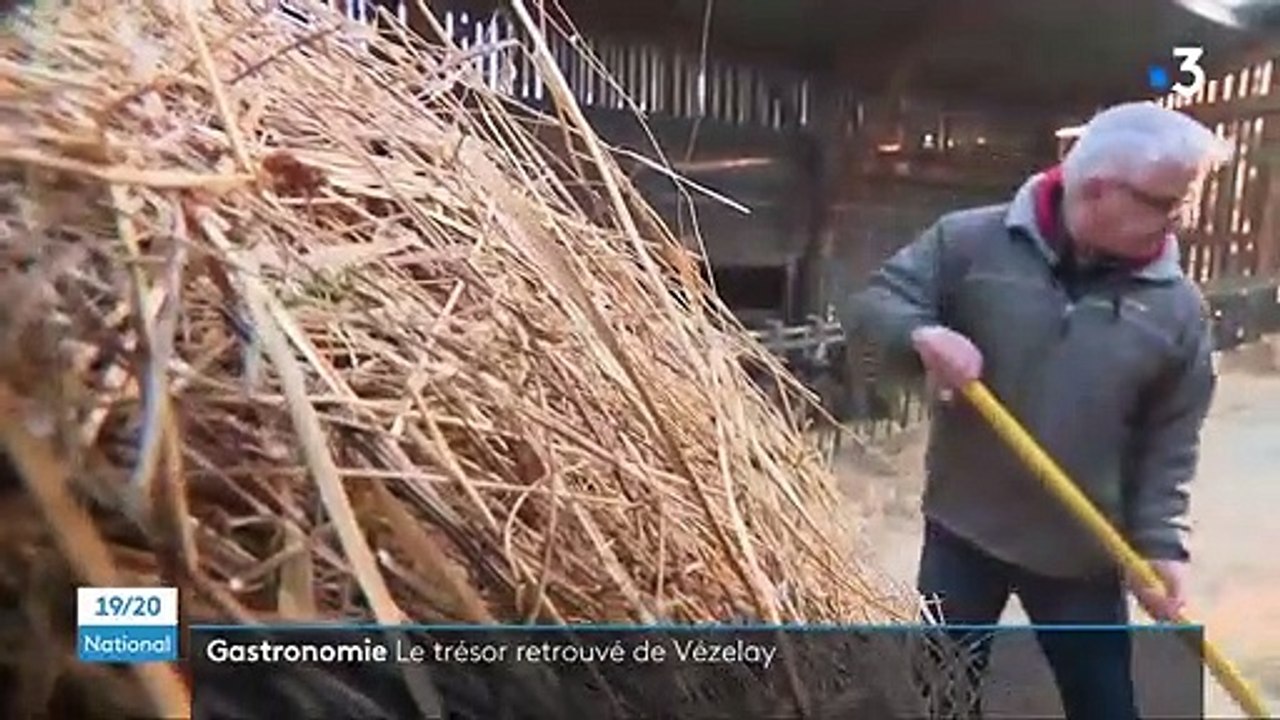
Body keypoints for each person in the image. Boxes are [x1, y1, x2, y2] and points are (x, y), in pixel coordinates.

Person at [844, 102, 1227, 719]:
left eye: (1184, 202)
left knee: (1105, 706)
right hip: (964, 530)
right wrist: (920, 335)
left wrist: (1161, 543)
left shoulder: (1178, 309)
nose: (1180, 220)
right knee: (939, 697)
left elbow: (1169, 440)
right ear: (1098, 190)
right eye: (1165, 202)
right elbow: (874, 306)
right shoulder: (968, 242)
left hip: (1082, 550)